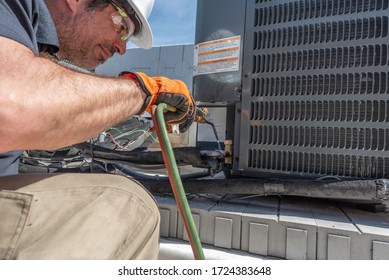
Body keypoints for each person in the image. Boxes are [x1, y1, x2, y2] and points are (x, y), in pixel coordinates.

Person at [0, 0, 195, 259]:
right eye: (122, 26)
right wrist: (143, 91)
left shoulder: (33, 42)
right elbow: (12, 110)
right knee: (130, 206)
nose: (122, 47)